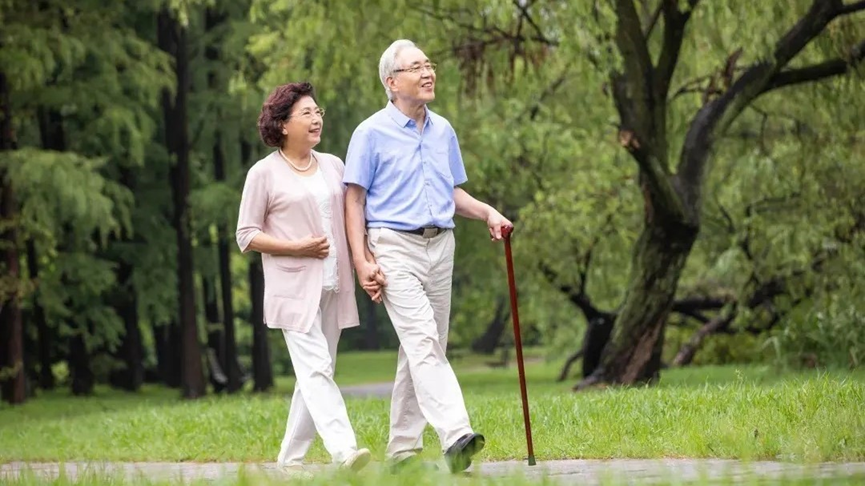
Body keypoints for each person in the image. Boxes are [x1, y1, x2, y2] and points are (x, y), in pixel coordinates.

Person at [343, 39, 513, 474]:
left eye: (429, 65)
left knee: (422, 347)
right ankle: (456, 433)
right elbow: (354, 201)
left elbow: (451, 192)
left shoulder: (443, 130)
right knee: (422, 341)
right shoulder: (370, 133)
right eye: (416, 67)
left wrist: (487, 212)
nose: (427, 72)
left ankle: (401, 450)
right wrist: (363, 260)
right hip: (393, 245)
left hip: (442, 245)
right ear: (392, 82)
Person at [236, 82, 372, 478]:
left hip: (334, 284)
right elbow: (246, 234)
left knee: (316, 372)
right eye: (307, 114)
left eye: (318, 112)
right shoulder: (263, 173)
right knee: (316, 369)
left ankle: (289, 460)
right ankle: (344, 450)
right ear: (281, 125)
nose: (316, 120)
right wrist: (295, 247)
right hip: (292, 287)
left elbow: (353, 220)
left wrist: (365, 259)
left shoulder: (333, 165)